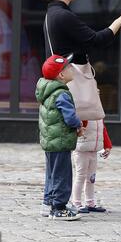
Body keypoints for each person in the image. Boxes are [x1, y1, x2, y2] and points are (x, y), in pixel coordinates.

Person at [33, 0, 121, 216]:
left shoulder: (52, 14)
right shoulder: (63, 16)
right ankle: (59, 204)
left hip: (58, 88)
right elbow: (96, 40)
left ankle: (51, 202)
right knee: (66, 151)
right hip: (72, 85)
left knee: (57, 152)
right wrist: (119, 22)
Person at [37, 53, 83, 221]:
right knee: (62, 175)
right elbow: (70, 118)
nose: (72, 68)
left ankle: (47, 204)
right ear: (61, 75)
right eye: (68, 67)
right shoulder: (62, 94)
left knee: (51, 173)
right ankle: (59, 208)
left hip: (50, 141)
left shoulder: (47, 91)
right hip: (61, 141)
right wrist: (79, 125)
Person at [71, 119, 112, 214]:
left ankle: (90, 202)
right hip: (81, 150)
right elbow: (80, 125)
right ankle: (76, 203)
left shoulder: (98, 116)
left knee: (91, 178)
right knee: (80, 176)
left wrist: (107, 146)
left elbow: (102, 130)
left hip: (93, 149)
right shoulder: (84, 112)